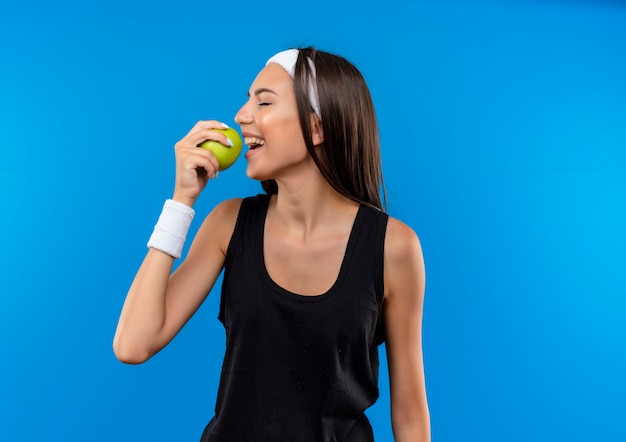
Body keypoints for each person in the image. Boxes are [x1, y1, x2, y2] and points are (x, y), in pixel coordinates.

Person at [113, 46, 430, 442]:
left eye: (263, 101)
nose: (241, 116)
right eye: (248, 101)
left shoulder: (393, 247)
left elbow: (410, 417)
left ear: (317, 127)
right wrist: (181, 202)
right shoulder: (229, 223)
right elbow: (133, 344)